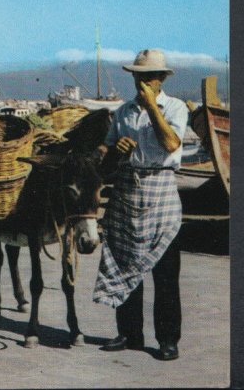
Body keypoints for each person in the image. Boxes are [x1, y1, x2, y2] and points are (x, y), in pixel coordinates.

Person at [93, 49, 188, 361]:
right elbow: (105, 166)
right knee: (124, 265)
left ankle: (167, 340)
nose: (143, 82)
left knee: (165, 274)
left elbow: (172, 144)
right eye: (138, 76)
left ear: (161, 80)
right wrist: (115, 152)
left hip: (161, 193)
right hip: (127, 190)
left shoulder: (175, 107)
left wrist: (151, 109)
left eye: (149, 77)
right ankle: (130, 334)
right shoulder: (122, 113)